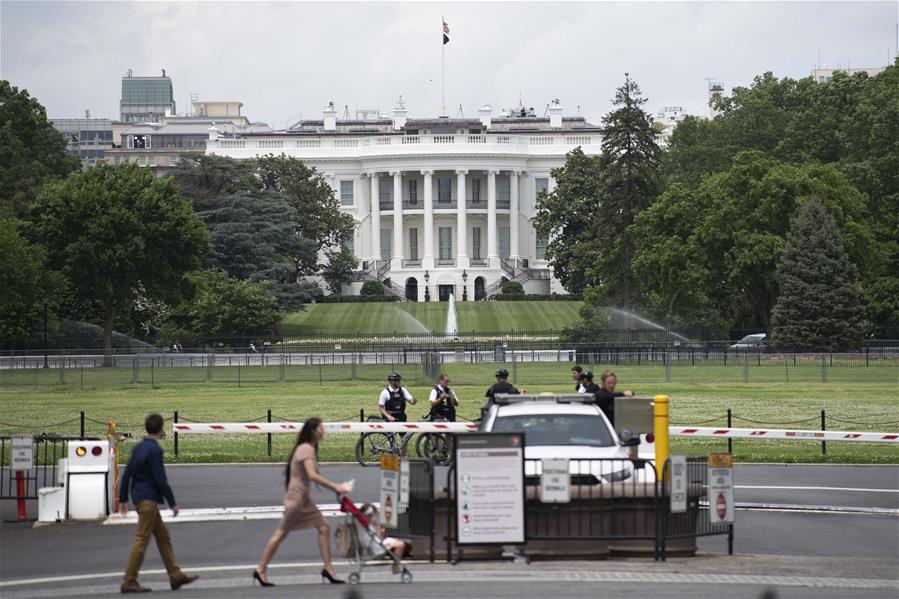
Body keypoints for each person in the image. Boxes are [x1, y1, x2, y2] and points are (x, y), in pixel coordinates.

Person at [254, 418, 352, 587]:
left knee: (324, 527)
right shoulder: (306, 449)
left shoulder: (307, 448)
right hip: (297, 500)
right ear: (314, 431)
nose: (323, 431)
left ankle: (328, 569)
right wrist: (336, 487)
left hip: (303, 499)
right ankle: (261, 569)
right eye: (321, 428)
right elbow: (312, 475)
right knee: (281, 533)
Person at [118, 413, 198, 594]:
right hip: (148, 501)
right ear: (161, 428)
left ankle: (175, 575)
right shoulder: (155, 451)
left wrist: (123, 499)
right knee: (141, 540)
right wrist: (173, 503)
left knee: (163, 536)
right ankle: (129, 580)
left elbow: (127, 474)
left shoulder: (138, 448)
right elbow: (160, 480)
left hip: (139, 498)